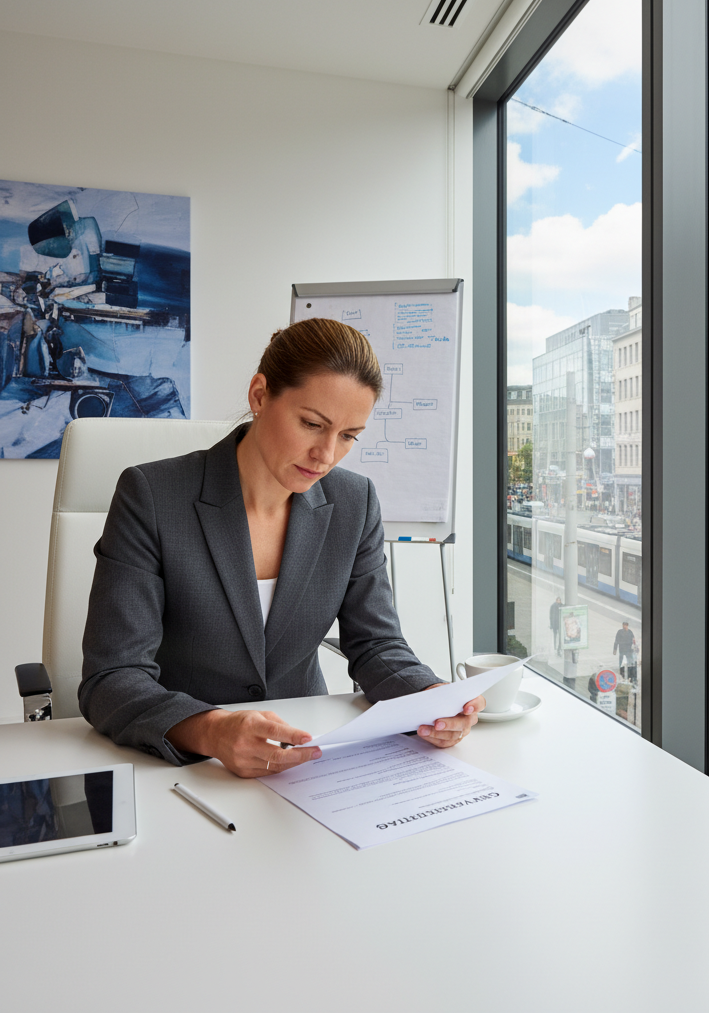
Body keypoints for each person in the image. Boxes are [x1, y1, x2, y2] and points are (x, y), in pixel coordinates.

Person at [79, 319, 485, 777]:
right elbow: (111, 678)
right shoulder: (152, 495)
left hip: (309, 757)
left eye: (349, 435)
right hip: (186, 768)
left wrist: (427, 695)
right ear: (259, 395)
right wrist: (213, 729)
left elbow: (376, 644)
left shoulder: (354, 502)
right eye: (312, 424)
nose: (326, 455)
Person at [613, 621, 637, 685]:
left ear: (627, 626)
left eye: (625, 625)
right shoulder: (619, 632)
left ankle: (630, 675)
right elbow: (616, 640)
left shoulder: (630, 632)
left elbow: (633, 640)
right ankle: (621, 673)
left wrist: (635, 647)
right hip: (622, 649)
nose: (624, 626)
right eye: (623, 625)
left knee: (630, 662)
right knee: (621, 662)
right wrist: (615, 649)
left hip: (629, 650)